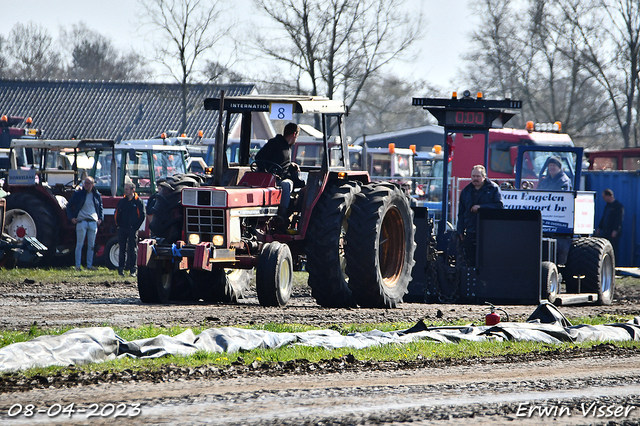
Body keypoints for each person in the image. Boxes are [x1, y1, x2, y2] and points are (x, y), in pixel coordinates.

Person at [254, 122, 305, 218]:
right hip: (270, 177)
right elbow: (259, 157)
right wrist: (265, 172)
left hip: (282, 179)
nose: (296, 139)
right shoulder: (274, 143)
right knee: (284, 185)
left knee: (287, 184)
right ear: (294, 134)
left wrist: (291, 164)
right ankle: (277, 214)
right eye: (297, 136)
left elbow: (282, 161)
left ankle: (282, 214)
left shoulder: (288, 148)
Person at [457, 165, 504, 266]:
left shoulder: (493, 189)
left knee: (486, 257)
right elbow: (461, 212)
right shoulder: (466, 191)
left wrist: (481, 207)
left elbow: (499, 206)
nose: (475, 179)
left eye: (477, 176)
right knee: (470, 257)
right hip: (470, 229)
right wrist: (460, 230)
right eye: (473, 176)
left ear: (484, 176)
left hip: (488, 230)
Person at [66, 176, 104, 270]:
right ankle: (78, 266)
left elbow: (100, 207)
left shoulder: (96, 195)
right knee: (79, 244)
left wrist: (100, 218)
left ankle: (89, 265)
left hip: (93, 222)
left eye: (88, 183)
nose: (86, 185)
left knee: (91, 245)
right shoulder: (78, 194)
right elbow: (69, 206)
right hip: (81, 221)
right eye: (85, 183)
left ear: (92, 185)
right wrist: (72, 218)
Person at [115, 181, 146, 277]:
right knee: (122, 249)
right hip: (122, 228)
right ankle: (121, 269)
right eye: (125, 189)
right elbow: (116, 214)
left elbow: (142, 216)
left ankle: (133, 270)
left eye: (127, 189)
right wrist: (118, 225)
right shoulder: (122, 201)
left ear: (133, 190)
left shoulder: (138, 201)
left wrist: (135, 227)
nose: (125, 191)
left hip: (133, 229)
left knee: (133, 249)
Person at [596, 188, 624, 258]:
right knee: (605, 247)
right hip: (606, 231)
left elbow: (619, 220)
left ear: (609, 196)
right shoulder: (607, 206)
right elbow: (604, 217)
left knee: (613, 248)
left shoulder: (618, 206)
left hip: (613, 232)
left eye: (604, 197)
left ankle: (614, 265)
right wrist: (599, 227)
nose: (603, 199)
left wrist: (615, 230)